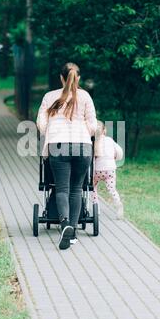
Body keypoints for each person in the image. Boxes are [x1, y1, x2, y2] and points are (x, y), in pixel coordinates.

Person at [37, 62, 97, 250]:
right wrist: (82, 133)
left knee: (62, 188)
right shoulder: (85, 96)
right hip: (83, 146)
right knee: (76, 189)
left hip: (58, 144)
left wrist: (54, 131)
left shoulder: (49, 96)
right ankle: (72, 233)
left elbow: (41, 124)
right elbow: (93, 125)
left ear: (61, 78)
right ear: (77, 78)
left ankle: (65, 226)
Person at [92, 120, 124, 219]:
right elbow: (119, 152)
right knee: (112, 189)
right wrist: (115, 158)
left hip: (97, 171)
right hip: (110, 169)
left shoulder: (93, 142)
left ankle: (96, 208)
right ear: (104, 130)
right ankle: (118, 204)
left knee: (93, 187)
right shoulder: (110, 140)